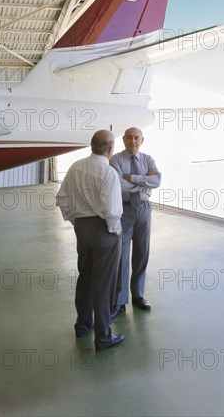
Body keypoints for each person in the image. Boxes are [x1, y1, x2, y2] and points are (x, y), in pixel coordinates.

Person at [56, 130, 124, 351]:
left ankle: (83, 325)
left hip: (83, 228)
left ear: (92, 145)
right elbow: (111, 210)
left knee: (85, 276)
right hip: (104, 230)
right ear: (111, 148)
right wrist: (115, 231)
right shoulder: (108, 172)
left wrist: (75, 220)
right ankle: (103, 337)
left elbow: (62, 198)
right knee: (103, 285)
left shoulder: (76, 165)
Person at [110, 127, 161, 319]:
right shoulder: (115, 160)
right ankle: (119, 301)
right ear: (123, 139)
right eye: (129, 138)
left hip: (144, 210)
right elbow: (116, 184)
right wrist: (143, 182)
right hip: (124, 211)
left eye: (136, 138)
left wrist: (132, 178)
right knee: (121, 256)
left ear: (142, 140)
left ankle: (138, 295)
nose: (133, 141)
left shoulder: (148, 159)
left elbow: (157, 181)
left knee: (142, 252)